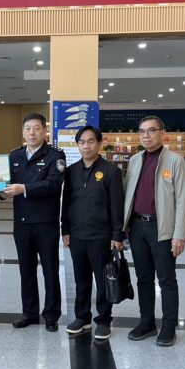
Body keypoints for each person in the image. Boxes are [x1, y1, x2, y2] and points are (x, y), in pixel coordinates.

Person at [123, 115, 185, 347]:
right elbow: (129, 194)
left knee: (166, 279)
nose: (146, 135)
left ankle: (169, 326)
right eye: (142, 131)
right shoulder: (135, 160)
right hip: (137, 227)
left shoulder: (175, 161)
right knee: (143, 278)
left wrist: (179, 234)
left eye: (151, 130)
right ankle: (147, 322)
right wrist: (124, 227)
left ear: (162, 133)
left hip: (162, 229)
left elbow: (183, 200)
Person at [2, 113, 66, 332]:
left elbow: (54, 184)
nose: (32, 132)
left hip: (46, 223)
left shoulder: (55, 155)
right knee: (26, 270)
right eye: (28, 128)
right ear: (23, 132)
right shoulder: (15, 156)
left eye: (37, 128)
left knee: (50, 270)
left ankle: (51, 315)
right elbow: (5, 184)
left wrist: (24, 188)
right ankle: (29, 313)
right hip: (22, 223)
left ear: (44, 131)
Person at [61, 125, 124, 341]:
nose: (86, 146)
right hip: (77, 235)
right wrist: (65, 228)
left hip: (101, 236)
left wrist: (117, 235)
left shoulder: (111, 171)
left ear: (99, 143)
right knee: (81, 280)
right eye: (82, 142)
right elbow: (66, 203)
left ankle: (104, 320)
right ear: (77, 145)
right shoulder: (71, 171)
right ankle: (82, 317)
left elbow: (117, 205)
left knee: (103, 280)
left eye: (90, 141)